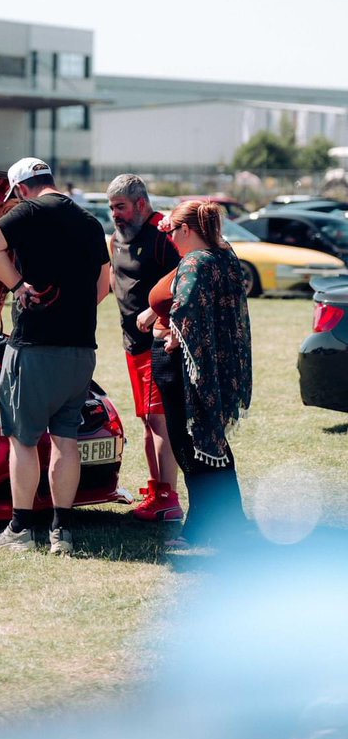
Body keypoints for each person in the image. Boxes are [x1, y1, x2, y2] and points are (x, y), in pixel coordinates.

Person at [0, 157, 110, 555]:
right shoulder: (90, 222)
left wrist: (19, 284)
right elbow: (103, 286)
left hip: (35, 347)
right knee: (65, 439)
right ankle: (62, 533)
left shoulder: (29, 211)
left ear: (21, 188)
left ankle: (20, 529)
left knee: (24, 439)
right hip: (80, 349)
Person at [144, 201, 252, 548]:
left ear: (187, 230)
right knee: (212, 443)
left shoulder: (194, 262)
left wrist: (173, 333)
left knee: (189, 446)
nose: (171, 238)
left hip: (183, 367)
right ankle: (231, 519)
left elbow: (187, 304)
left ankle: (200, 527)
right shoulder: (224, 256)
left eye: (172, 231)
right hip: (214, 366)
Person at [107, 174, 181, 520]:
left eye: (120, 207)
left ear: (140, 203)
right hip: (130, 344)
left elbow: (188, 278)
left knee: (158, 419)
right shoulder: (116, 239)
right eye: (111, 208)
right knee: (147, 421)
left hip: (158, 343)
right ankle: (156, 490)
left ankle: (168, 497)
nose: (115, 214)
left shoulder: (165, 234)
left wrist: (160, 314)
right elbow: (114, 283)